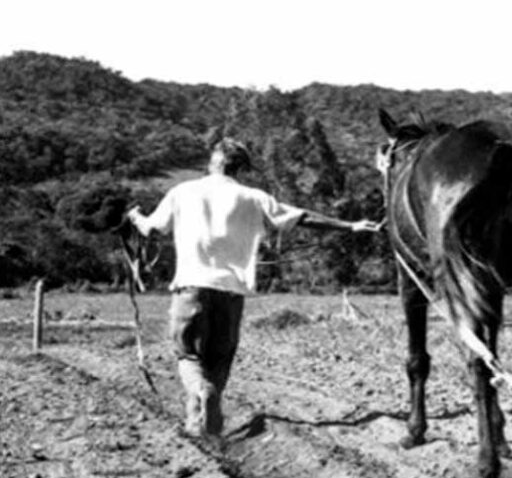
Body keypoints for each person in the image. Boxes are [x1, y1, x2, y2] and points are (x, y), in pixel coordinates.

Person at [128, 137, 382, 438]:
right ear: (242, 168)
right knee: (220, 359)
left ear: (213, 161)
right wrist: (350, 226)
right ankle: (201, 422)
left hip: (190, 289)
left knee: (189, 357)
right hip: (232, 293)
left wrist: (134, 216)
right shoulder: (253, 196)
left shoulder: (182, 191)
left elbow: (151, 228)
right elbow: (302, 217)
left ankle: (201, 392)